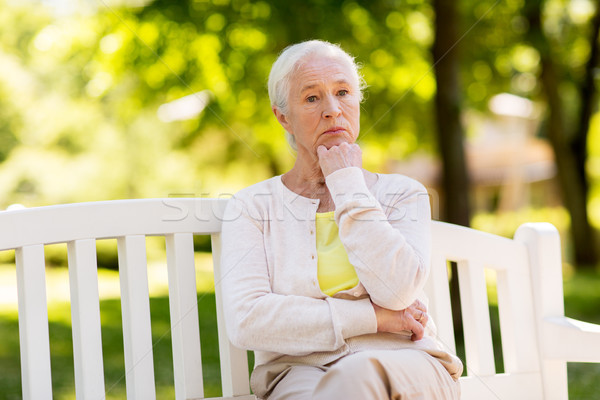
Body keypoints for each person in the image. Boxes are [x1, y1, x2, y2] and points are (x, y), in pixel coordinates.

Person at [220, 40, 463, 400]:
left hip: (406, 364)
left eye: (343, 92)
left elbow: (398, 291)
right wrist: (375, 318)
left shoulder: (402, 193)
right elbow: (248, 320)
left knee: (359, 375)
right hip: (299, 371)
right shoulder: (251, 206)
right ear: (282, 116)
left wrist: (348, 185)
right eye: (312, 98)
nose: (333, 110)